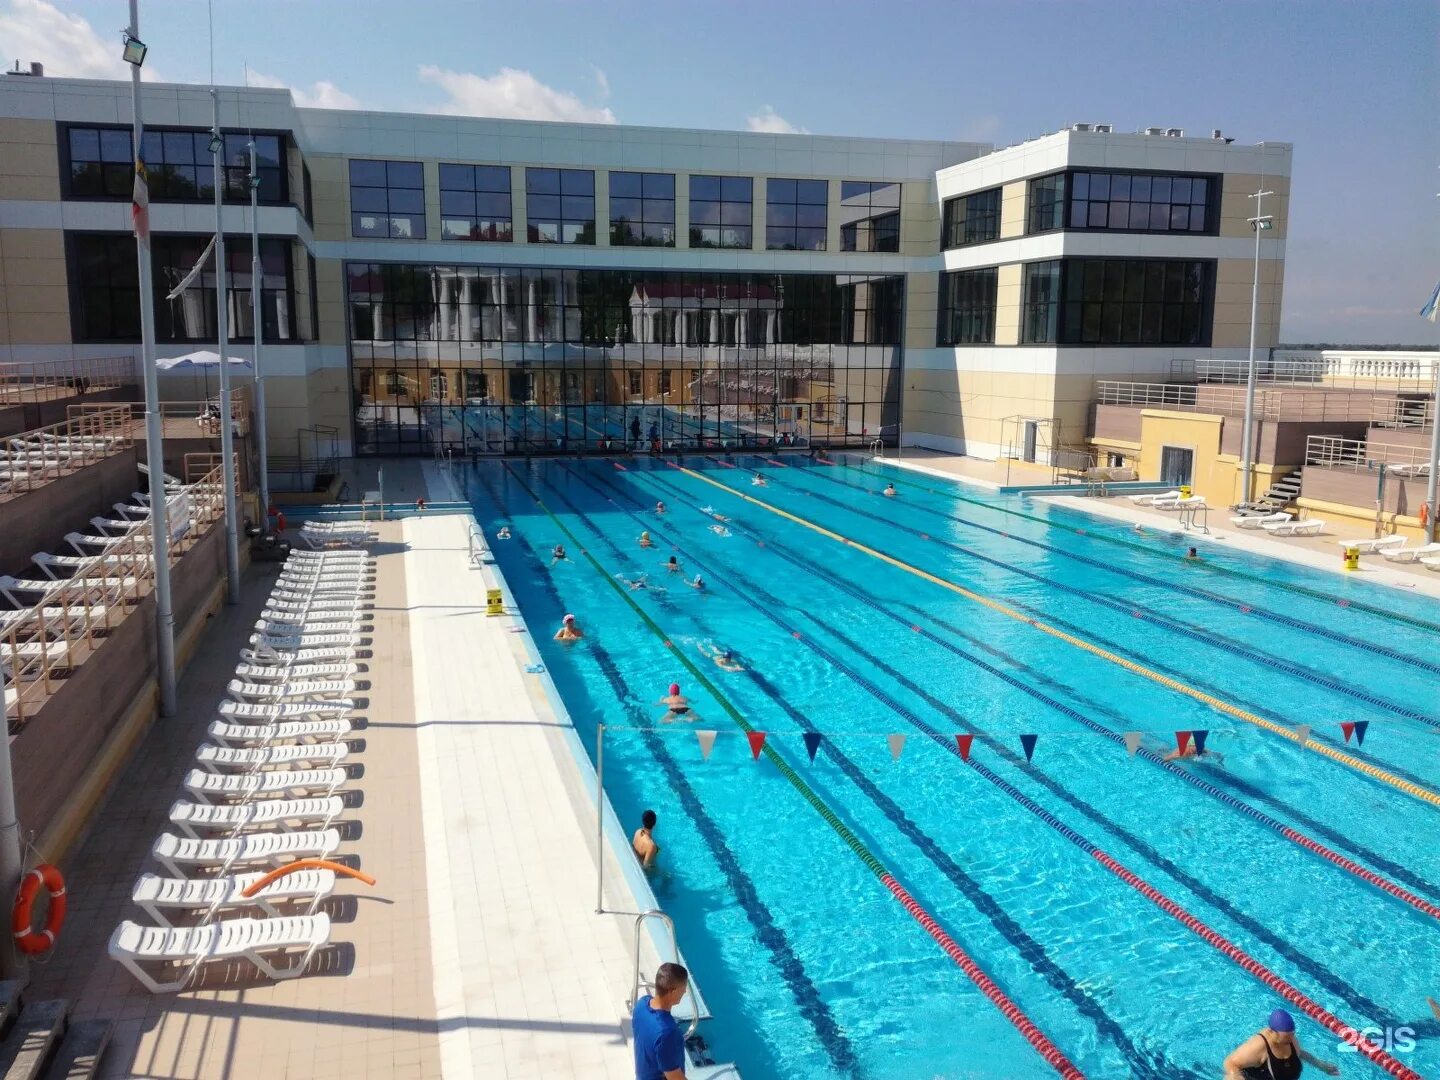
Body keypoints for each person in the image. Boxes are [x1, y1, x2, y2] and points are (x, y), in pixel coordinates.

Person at [1223, 1009, 1338, 1078]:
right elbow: (1230, 1063)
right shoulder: (1258, 1046)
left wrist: (1320, 1065)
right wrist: (1236, 1077)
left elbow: (1300, 1053)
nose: (1291, 1038)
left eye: (1292, 1034)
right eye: (1287, 1036)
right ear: (1272, 1032)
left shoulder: (1289, 1038)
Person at [632, 962, 689, 1080]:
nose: (684, 991)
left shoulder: (641, 1004)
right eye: (683, 987)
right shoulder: (667, 1033)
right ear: (672, 991)